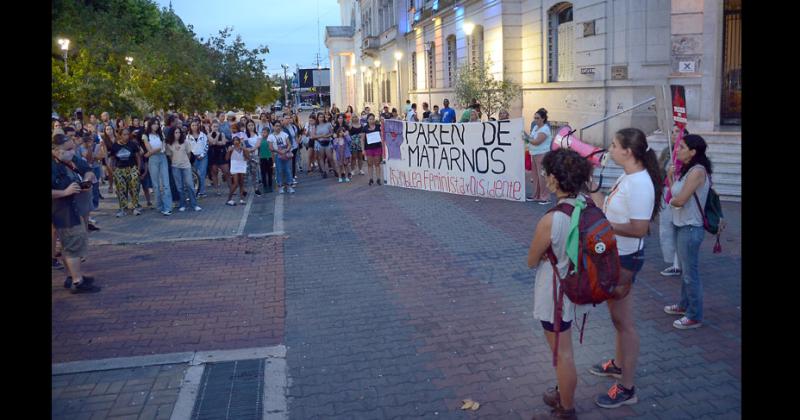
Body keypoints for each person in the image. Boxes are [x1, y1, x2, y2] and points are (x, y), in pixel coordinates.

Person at [587, 127, 661, 409]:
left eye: (614, 145)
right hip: (615, 257)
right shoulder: (628, 176)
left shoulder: (640, 183)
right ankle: (618, 365)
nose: (610, 149)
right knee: (618, 320)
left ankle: (627, 388)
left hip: (624, 259)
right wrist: (593, 189)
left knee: (625, 324)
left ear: (628, 152)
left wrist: (606, 227)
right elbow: (607, 207)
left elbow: (640, 228)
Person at [527, 148, 593, 420]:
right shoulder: (588, 202)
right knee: (563, 351)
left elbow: (531, 260)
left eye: (546, 174)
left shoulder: (552, 219)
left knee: (562, 354)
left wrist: (544, 251)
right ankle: (562, 393)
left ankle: (566, 408)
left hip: (554, 292)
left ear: (554, 179)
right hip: (576, 286)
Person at [663, 134, 713, 330]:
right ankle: (684, 305)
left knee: (690, 273)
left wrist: (671, 201)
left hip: (691, 227)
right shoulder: (687, 170)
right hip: (681, 224)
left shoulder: (697, 171)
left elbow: (680, 199)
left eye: (682, 147)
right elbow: (675, 191)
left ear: (693, 152)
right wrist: (670, 176)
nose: (678, 149)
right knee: (685, 270)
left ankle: (694, 315)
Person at [51, 134, 101, 294]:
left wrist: (86, 179)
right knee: (73, 244)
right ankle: (77, 281)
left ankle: (72, 276)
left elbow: (87, 169)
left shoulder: (71, 160)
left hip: (73, 209)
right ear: (56, 150)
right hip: (62, 211)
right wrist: (65, 192)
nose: (72, 152)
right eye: (68, 149)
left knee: (70, 244)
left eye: (73, 148)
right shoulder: (53, 165)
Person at [659, 125, 690, 277]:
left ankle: (678, 263)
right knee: (666, 227)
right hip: (667, 193)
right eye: (672, 131)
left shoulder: (687, 153)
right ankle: (673, 260)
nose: (673, 134)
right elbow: (660, 171)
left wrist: (672, 174)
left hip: (679, 194)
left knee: (677, 226)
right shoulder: (667, 151)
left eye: (677, 131)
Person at [165, 126, 202, 212]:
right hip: (175, 167)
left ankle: (194, 204)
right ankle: (182, 204)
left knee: (190, 185)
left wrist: (185, 162)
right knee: (179, 187)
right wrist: (175, 162)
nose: (177, 134)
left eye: (179, 132)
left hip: (186, 166)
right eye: (175, 133)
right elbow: (170, 155)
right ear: (172, 134)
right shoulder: (169, 144)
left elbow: (189, 154)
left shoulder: (185, 142)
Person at [142, 118, 174, 216]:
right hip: (153, 159)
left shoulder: (161, 134)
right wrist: (160, 148)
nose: (155, 126)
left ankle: (168, 207)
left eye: (157, 124)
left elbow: (164, 148)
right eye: (153, 124)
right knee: (156, 185)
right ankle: (159, 206)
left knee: (165, 183)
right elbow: (150, 150)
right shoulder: (145, 135)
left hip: (162, 158)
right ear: (150, 125)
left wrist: (160, 149)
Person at [109, 128, 142, 217]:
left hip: (132, 168)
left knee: (135, 187)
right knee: (121, 189)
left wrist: (138, 169)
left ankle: (135, 207)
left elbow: (138, 157)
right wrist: (112, 171)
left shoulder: (133, 144)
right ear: (119, 135)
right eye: (124, 134)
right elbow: (112, 159)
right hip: (119, 169)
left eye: (128, 134)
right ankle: (123, 208)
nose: (126, 136)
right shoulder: (115, 146)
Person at [528, 108, 554, 204]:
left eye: (537, 118)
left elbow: (536, 141)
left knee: (542, 176)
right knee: (535, 176)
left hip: (542, 154)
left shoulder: (545, 129)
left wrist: (527, 138)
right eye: (534, 118)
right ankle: (536, 195)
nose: (535, 119)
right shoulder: (535, 127)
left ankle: (545, 197)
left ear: (543, 119)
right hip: (534, 154)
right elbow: (532, 138)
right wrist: (528, 138)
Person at [269, 121, 295, 194]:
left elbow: (289, 144)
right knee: (279, 171)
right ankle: (280, 186)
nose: (278, 127)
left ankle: (289, 186)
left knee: (287, 170)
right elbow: (270, 148)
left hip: (285, 154)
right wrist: (279, 151)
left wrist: (286, 150)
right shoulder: (270, 136)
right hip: (277, 155)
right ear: (273, 127)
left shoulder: (284, 134)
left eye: (279, 126)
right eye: (276, 126)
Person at [207, 121, 230, 195]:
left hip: (221, 154)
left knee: (226, 171)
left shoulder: (222, 134)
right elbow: (213, 142)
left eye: (217, 126)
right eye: (214, 126)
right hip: (213, 155)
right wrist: (217, 136)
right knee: (214, 173)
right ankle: (217, 190)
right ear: (211, 127)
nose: (215, 128)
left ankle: (231, 188)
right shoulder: (208, 135)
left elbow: (223, 143)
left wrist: (215, 141)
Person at [187, 120, 209, 198]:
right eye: (193, 125)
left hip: (203, 157)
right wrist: (193, 155)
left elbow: (206, 145)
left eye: (196, 125)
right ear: (190, 126)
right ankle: (195, 191)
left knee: (202, 174)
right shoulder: (188, 137)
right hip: (193, 157)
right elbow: (187, 148)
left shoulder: (203, 135)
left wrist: (202, 155)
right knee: (194, 175)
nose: (194, 127)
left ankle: (202, 191)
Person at [360, 113, 382, 186]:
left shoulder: (378, 126)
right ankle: (371, 179)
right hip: (368, 149)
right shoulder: (365, 128)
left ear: (374, 119)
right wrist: (363, 150)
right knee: (369, 164)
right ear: (367, 120)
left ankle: (378, 178)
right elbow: (362, 139)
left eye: (372, 119)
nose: (371, 120)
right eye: (370, 119)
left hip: (377, 147)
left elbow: (382, 136)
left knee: (377, 164)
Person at [226, 137, 249, 205]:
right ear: (232, 142)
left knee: (241, 183)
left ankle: (241, 199)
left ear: (239, 141)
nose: (236, 142)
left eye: (237, 140)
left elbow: (247, 157)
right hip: (234, 166)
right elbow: (227, 158)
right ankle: (229, 199)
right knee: (235, 183)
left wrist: (245, 150)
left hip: (242, 165)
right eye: (234, 140)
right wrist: (228, 151)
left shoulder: (243, 148)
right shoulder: (231, 148)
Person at [244, 120, 263, 196]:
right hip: (246, 156)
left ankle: (256, 188)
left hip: (255, 156)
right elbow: (243, 144)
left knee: (254, 173)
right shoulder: (244, 134)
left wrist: (251, 149)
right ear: (247, 126)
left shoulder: (258, 134)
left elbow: (258, 144)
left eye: (252, 125)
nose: (251, 127)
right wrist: (247, 150)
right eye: (249, 125)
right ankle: (244, 189)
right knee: (245, 173)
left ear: (254, 126)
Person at [313, 113, 334, 178]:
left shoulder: (328, 124)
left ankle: (335, 170)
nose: (321, 118)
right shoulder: (316, 126)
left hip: (328, 142)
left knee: (330, 157)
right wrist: (321, 136)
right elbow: (313, 136)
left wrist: (327, 136)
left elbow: (331, 133)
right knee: (321, 158)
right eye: (320, 117)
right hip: (320, 143)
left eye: (322, 117)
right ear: (317, 118)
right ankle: (324, 171)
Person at [258, 126, 274, 193]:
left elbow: (272, 150)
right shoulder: (260, 140)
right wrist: (259, 158)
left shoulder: (269, 140)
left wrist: (273, 160)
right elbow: (258, 149)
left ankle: (270, 186)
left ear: (268, 133)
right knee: (263, 173)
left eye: (265, 132)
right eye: (262, 132)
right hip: (262, 158)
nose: (263, 134)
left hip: (269, 158)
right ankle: (265, 186)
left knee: (270, 173)